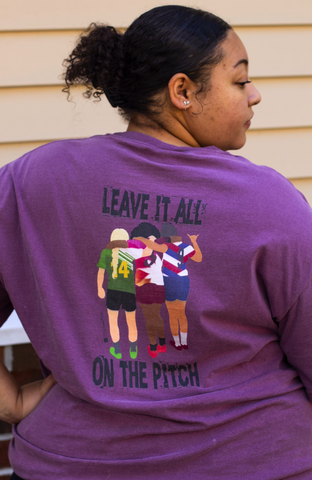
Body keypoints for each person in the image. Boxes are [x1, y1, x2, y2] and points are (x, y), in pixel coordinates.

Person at [0, 5, 312, 480]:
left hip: (71, 462)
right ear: (182, 91)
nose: (256, 95)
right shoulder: (267, 201)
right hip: (250, 461)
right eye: (240, 80)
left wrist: (12, 401)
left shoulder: (30, 181)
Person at [97, 228, 138, 359]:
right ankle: (133, 350)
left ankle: (117, 350)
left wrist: (100, 288)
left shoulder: (106, 253)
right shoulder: (131, 252)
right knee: (131, 323)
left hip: (113, 292)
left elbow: (101, 272)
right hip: (129, 292)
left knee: (113, 322)